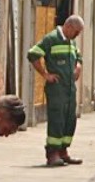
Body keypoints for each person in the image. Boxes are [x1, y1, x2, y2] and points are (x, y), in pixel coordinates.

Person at [27, 14, 84, 167]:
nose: (77, 35)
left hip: (70, 88)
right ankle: (52, 153)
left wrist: (78, 66)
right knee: (57, 119)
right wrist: (45, 74)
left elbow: (78, 56)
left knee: (69, 120)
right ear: (69, 26)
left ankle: (63, 151)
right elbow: (33, 54)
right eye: (76, 31)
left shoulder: (71, 42)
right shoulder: (51, 39)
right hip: (57, 88)